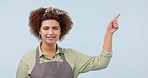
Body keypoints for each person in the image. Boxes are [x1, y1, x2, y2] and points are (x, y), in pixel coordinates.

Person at [16, 7, 120, 78]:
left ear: (61, 31)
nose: (50, 32)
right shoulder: (27, 59)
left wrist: (109, 33)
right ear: (39, 30)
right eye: (46, 28)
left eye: (55, 28)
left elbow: (101, 62)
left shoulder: (72, 56)